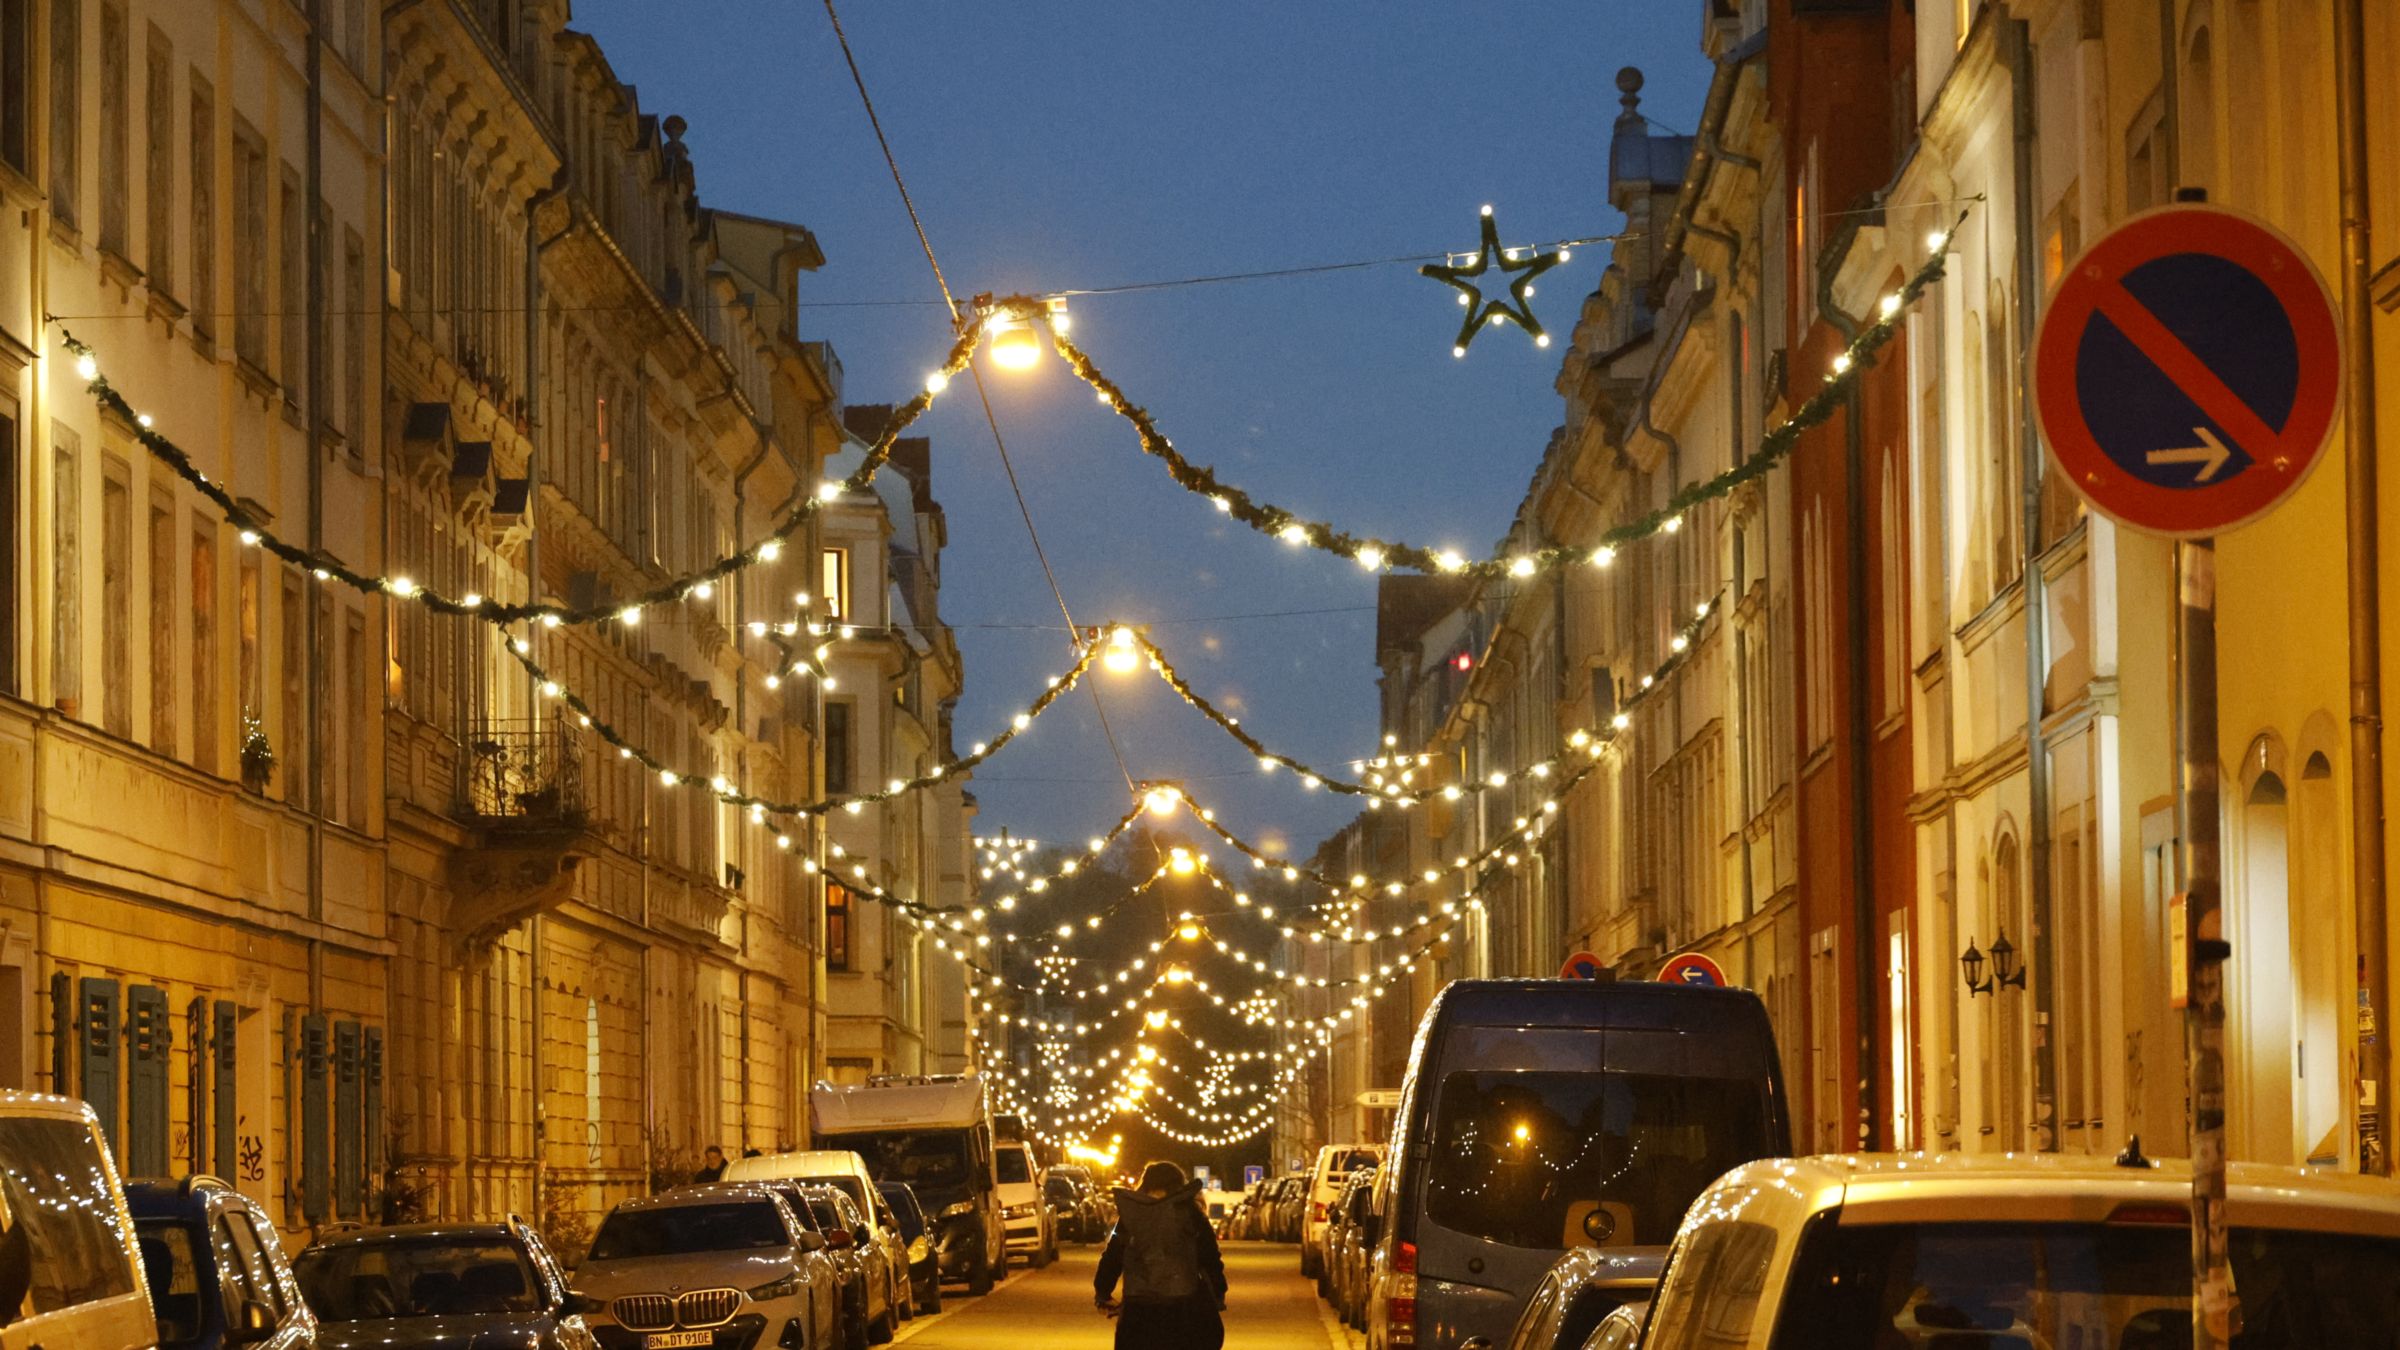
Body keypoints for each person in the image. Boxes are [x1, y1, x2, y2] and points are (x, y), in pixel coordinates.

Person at [1094, 1162, 1226, 1350]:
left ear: (1145, 1184)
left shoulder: (1131, 1217)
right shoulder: (1191, 1215)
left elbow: (1113, 1255)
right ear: (1179, 1185)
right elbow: (1211, 1256)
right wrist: (1219, 1292)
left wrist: (1103, 1292)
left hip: (1138, 1309)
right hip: (1183, 1308)